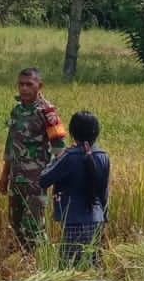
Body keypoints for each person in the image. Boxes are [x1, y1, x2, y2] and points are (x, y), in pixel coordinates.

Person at [0, 68, 67, 253]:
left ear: (39, 86)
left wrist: (58, 181)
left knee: (34, 226)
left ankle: (42, 260)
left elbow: (59, 150)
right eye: (21, 84)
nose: (24, 89)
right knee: (15, 222)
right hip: (16, 178)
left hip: (36, 180)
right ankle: (26, 258)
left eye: (29, 84)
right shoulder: (16, 111)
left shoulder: (47, 113)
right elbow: (11, 145)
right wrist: (4, 175)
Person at [39, 111, 111, 268]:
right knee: (91, 268)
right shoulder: (103, 156)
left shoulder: (69, 157)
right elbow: (104, 193)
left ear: (73, 133)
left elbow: (43, 180)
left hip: (73, 222)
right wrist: (104, 219)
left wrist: (59, 156)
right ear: (96, 133)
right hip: (97, 221)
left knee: (68, 270)